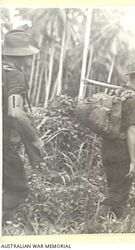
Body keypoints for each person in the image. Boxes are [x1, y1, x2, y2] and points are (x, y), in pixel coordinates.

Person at [99, 61, 135, 219]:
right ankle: (93, 224)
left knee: (115, 189)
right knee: (118, 193)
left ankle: (119, 224)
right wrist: (133, 160)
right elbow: (131, 130)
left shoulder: (117, 93)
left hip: (107, 147)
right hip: (121, 150)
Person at [2, 29, 44, 221]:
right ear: (24, 56)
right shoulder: (15, 75)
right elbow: (15, 112)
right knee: (17, 187)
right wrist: (35, 139)